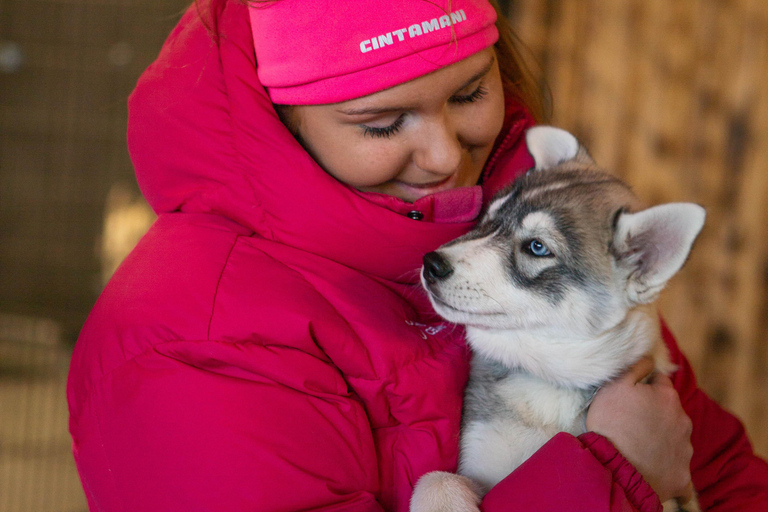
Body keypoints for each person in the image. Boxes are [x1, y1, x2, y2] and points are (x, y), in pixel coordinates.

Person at [66, 0, 768, 510]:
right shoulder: (194, 336)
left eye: (469, 93)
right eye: (382, 122)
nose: (443, 156)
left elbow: (718, 465)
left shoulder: (534, 222)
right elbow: (643, 448)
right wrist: (611, 475)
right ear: (284, 117)